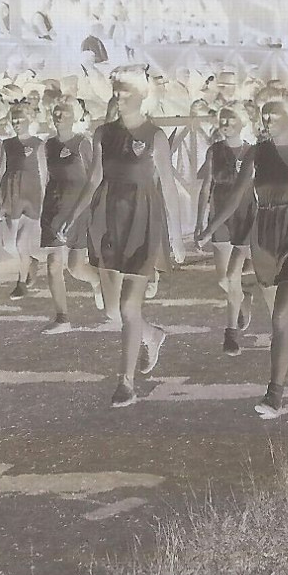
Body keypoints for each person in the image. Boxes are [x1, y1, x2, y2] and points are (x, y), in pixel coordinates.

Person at [57, 65, 182, 408]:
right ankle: (152, 334)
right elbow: (95, 178)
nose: (120, 96)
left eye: (126, 91)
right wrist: (74, 216)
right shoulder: (102, 134)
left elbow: (168, 187)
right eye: (116, 90)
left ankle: (126, 382)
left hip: (142, 221)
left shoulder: (155, 136)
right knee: (113, 311)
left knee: (129, 306)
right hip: (108, 220)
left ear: (143, 95)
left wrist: (179, 239)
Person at [202, 96, 288, 419]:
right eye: (264, 115)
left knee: (280, 316)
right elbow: (235, 197)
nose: (267, 119)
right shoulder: (256, 153)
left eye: (274, 114)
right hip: (266, 237)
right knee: (282, 315)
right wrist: (210, 228)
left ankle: (274, 394)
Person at [37, 95, 101, 335]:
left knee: (75, 267)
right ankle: (62, 317)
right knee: (54, 264)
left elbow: (94, 179)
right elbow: (45, 179)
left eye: (64, 112)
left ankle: (96, 281)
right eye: (55, 111)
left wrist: (83, 211)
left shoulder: (82, 143)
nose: (59, 115)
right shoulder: (47, 145)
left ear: (75, 116)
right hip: (54, 208)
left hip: (80, 209)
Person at [195, 104, 255, 356]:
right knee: (224, 278)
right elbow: (206, 187)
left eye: (231, 119)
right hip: (219, 216)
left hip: (245, 215)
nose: (226, 123)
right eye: (222, 119)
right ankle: (243, 300)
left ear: (242, 123)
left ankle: (230, 334)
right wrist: (201, 221)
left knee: (231, 278)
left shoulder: (253, 152)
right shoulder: (214, 151)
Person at [0, 102, 46, 299]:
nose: (18, 122)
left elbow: (44, 174)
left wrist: (46, 199)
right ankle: (31, 262)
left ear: (30, 120)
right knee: (9, 244)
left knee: (21, 242)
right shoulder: (8, 144)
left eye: (21, 119)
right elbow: (0, 171)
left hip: (32, 193)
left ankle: (21, 283)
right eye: (15, 119)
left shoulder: (38, 144)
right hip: (12, 194)